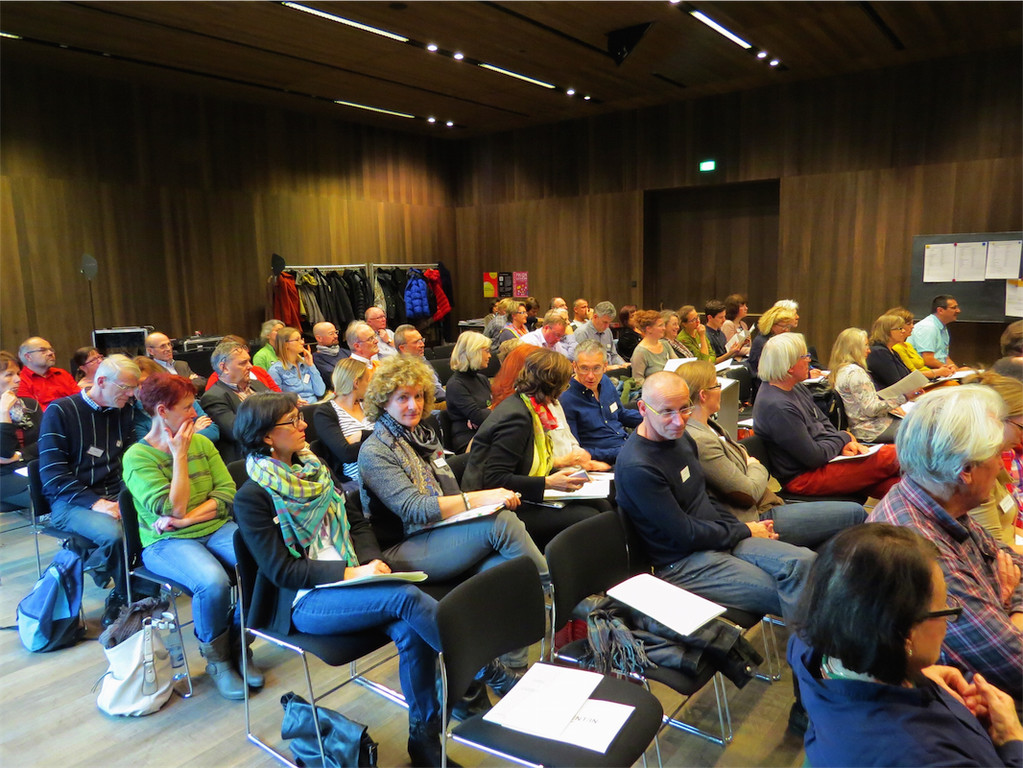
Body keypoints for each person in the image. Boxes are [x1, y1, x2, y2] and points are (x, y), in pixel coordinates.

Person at [231, 392, 449, 765]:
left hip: (352, 579)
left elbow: (357, 522)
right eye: (293, 421)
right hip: (304, 600)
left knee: (410, 627)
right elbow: (283, 571)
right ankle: (474, 665)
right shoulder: (252, 497)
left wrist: (372, 561)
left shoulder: (314, 468)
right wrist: (352, 572)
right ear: (267, 436)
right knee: (405, 597)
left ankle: (425, 738)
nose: (304, 424)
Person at [789, 523, 1023, 768]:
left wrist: (914, 674)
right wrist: (1012, 741)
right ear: (906, 634)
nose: (948, 618)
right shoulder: (923, 754)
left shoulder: (808, 649)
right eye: (945, 607)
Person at [615, 371, 816, 625]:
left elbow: (703, 498)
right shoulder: (638, 467)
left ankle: (820, 638)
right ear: (643, 409)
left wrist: (742, 529)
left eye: (684, 408)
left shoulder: (680, 438)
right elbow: (685, 534)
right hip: (684, 563)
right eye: (667, 412)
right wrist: (744, 530)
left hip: (716, 539)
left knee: (807, 563)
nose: (678, 421)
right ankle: (814, 646)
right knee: (796, 591)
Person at [867, 385, 1023, 701]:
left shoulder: (932, 497)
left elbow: (1012, 561)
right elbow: (1016, 666)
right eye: (996, 454)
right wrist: (1009, 607)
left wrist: (1009, 608)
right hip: (967, 707)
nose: (1000, 465)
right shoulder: (923, 554)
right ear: (965, 471)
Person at [122, 374, 252, 700]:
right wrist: (178, 455)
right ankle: (218, 661)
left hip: (211, 527)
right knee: (212, 583)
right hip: (164, 543)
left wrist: (187, 519)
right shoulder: (137, 457)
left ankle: (239, 645)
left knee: (262, 563)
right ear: (162, 411)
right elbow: (173, 507)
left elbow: (227, 492)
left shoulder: (203, 443)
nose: (195, 413)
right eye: (187, 407)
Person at [676, 361, 865, 548]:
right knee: (856, 514)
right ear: (703, 395)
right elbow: (749, 492)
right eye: (717, 385)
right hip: (756, 519)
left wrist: (750, 466)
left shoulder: (711, 426)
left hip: (766, 503)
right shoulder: (700, 440)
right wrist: (755, 466)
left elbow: (745, 465)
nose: (720, 390)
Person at [462, 348, 603, 550]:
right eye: (565, 383)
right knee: (590, 517)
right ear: (553, 385)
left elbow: (526, 463)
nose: (565, 389)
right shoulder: (517, 417)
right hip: (495, 506)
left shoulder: (530, 406)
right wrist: (549, 482)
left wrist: (560, 475)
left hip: (519, 494)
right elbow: (494, 479)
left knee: (601, 503)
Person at [38, 354, 140, 625]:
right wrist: (98, 504)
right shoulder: (61, 411)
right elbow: (52, 475)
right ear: (101, 381)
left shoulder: (123, 410)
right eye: (125, 387)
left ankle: (135, 585)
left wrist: (130, 495)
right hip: (70, 501)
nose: (131, 394)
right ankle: (123, 597)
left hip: (114, 492)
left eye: (134, 388)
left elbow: (129, 459)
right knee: (116, 535)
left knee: (155, 518)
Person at [753, 333, 901, 498]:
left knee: (899, 484)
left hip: (827, 459)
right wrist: (844, 438)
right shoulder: (777, 406)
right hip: (805, 477)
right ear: (789, 366)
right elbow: (813, 456)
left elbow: (822, 422)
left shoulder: (795, 387)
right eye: (804, 356)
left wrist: (844, 444)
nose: (809, 360)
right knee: (898, 454)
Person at [491, 343, 609, 473]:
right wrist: (562, 463)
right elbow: (523, 463)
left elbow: (568, 437)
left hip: (571, 471)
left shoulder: (552, 401)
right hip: (550, 474)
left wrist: (581, 458)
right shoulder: (519, 411)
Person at [559, 340, 642, 465]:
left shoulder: (605, 381)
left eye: (596, 368)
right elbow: (576, 450)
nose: (591, 376)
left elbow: (620, 414)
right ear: (574, 366)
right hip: (605, 460)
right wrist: (620, 452)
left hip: (627, 446)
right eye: (584, 368)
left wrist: (652, 419)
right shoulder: (566, 398)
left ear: (605, 366)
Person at [966, 372, 1022, 549]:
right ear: (995, 421)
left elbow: (1009, 528)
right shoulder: (976, 468)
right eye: (1021, 427)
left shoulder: (995, 454)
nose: (1021, 437)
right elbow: (996, 550)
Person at [829, 327, 905, 443]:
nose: (869, 350)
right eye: (865, 345)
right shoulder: (855, 373)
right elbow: (871, 409)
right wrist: (904, 398)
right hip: (872, 430)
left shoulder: (841, 370)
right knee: (923, 428)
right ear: (854, 349)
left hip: (865, 426)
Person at [201, 340, 270, 464]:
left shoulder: (257, 385)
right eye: (243, 363)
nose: (250, 366)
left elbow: (279, 408)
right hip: (249, 456)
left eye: (249, 361)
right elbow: (236, 431)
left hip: (273, 446)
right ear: (224, 368)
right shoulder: (214, 397)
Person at [133, 356, 219, 443]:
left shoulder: (183, 398)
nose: (140, 389)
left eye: (145, 383)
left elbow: (213, 431)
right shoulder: (135, 413)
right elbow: (149, 447)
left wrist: (178, 439)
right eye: (135, 385)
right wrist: (193, 431)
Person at [314, 359, 372, 484]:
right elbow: (346, 454)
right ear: (356, 383)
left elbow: (392, 434)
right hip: (360, 480)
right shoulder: (324, 413)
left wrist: (361, 435)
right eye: (368, 380)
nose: (370, 385)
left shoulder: (369, 405)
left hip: (389, 465)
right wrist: (379, 439)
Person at [0, 350, 39, 512]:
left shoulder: (29, 405)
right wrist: (4, 412)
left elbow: (46, 441)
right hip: (4, 476)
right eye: (9, 374)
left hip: (32, 467)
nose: (18, 379)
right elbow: (4, 453)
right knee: (48, 494)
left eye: (18, 374)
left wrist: (20, 455)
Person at [445, 331, 493, 453]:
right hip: (468, 440)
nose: (490, 355)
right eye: (486, 351)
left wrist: (484, 413)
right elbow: (479, 417)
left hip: (487, 431)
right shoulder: (456, 384)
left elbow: (499, 406)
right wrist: (482, 415)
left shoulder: (482, 379)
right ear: (473, 352)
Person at [885, 306, 956, 381]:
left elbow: (923, 367)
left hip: (928, 378)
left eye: (912, 323)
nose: (912, 327)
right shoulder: (897, 348)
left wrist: (944, 369)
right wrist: (938, 372)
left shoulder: (908, 345)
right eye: (909, 324)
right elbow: (910, 373)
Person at [16, 336, 78, 410]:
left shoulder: (62, 373)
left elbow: (79, 399)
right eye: (43, 350)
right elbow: (34, 410)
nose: (50, 353)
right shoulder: (20, 380)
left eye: (51, 350)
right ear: (28, 357)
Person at [267, 326, 325, 405]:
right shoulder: (275, 370)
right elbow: (277, 399)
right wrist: (292, 401)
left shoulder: (306, 362)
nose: (302, 342)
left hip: (314, 404)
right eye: (297, 340)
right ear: (286, 344)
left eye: (301, 339)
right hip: (295, 407)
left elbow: (320, 391)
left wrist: (311, 366)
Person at [908, 295, 963, 370]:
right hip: (926, 372)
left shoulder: (942, 327)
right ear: (940, 310)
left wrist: (958, 371)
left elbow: (945, 358)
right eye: (954, 308)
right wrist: (950, 370)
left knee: (967, 371)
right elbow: (928, 359)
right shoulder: (928, 327)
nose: (958, 311)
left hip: (939, 370)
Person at [395, 324, 445, 403]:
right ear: (402, 348)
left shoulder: (421, 359)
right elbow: (430, 394)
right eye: (416, 342)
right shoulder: (402, 371)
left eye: (421, 340)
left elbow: (437, 386)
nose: (422, 345)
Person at [571, 301, 627, 370]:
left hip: (610, 371)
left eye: (609, 323)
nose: (607, 326)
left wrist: (623, 364)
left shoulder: (607, 331)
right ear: (595, 317)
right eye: (605, 322)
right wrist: (606, 368)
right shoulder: (582, 333)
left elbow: (613, 355)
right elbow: (581, 363)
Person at [747, 305, 798, 380]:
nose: (787, 330)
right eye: (784, 326)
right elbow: (775, 372)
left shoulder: (775, 338)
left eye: (789, 327)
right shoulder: (765, 343)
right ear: (771, 325)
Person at [630, 309, 677, 387]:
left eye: (663, 325)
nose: (664, 328)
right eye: (660, 325)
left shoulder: (665, 344)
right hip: (654, 391)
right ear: (649, 329)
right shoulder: (640, 352)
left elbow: (678, 364)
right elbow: (638, 380)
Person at [311, 321, 348, 386]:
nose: (336, 336)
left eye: (336, 332)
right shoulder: (315, 360)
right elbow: (334, 378)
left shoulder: (346, 352)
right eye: (331, 334)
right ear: (319, 338)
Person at [704, 299, 741, 364]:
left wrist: (740, 345)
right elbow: (712, 362)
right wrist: (730, 353)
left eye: (724, 316)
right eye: (720, 317)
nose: (724, 320)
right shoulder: (705, 335)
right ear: (710, 317)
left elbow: (726, 355)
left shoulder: (721, 333)